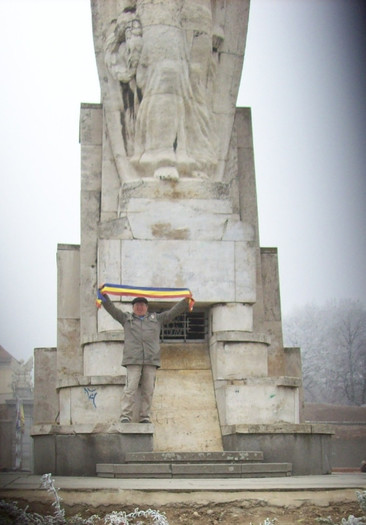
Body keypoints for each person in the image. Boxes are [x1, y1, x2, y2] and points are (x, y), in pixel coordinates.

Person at [100, 292, 190, 423]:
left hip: (151, 360)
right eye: (137, 305)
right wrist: (103, 295)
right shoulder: (126, 319)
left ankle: (144, 417)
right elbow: (111, 309)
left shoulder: (157, 319)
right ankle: (125, 416)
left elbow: (172, 313)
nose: (139, 307)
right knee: (130, 389)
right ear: (133, 308)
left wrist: (186, 301)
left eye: (142, 305)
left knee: (148, 390)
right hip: (133, 360)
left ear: (147, 307)